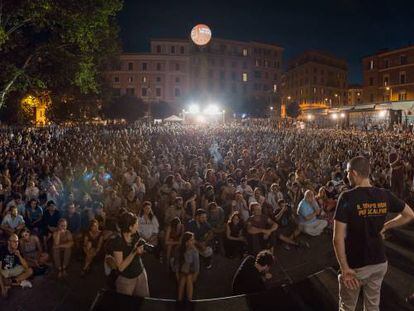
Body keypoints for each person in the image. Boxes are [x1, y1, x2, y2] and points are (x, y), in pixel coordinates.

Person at [333, 156, 414, 311]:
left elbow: (337, 239)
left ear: (354, 173)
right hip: (379, 262)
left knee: (347, 307)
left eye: (347, 172)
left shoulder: (347, 197)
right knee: (372, 306)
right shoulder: (384, 194)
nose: (347, 175)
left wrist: (345, 269)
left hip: (356, 265)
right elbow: (409, 214)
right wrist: (387, 225)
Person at [112, 212, 149, 297]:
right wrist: (134, 252)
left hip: (140, 273)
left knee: (143, 302)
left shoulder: (135, 234)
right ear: (130, 227)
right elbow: (121, 267)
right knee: (126, 305)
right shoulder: (118, 241)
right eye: (136, 224)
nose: (138, 226)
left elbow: (139, 249)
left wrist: (141, 250)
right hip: (126, 279)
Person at [175, 232, 199, 301]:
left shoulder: (194, 251)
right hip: (182, 270)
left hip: (191, 271)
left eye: (193, 240)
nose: (193, 242)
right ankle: (179, 300)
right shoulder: (179, 250)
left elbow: (197, 266)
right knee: (183, 278)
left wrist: (195, 276)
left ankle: (189, 300)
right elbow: (177, 264)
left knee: (188, 277)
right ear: (186, 242)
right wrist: (176, 274)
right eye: (191, 240)